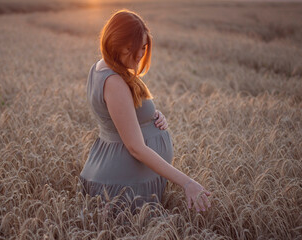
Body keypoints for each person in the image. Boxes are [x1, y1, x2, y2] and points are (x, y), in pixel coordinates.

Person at [78, 9, 211, 216]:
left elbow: (121, 116)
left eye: (144, 46)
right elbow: (136, 148)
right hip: (124, 185)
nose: (141, 53)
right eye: (133, 47)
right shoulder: (114, 81)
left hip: (123, 175)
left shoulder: (102, 68)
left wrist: (151, 117)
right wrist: (188, 183)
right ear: (115, 43)